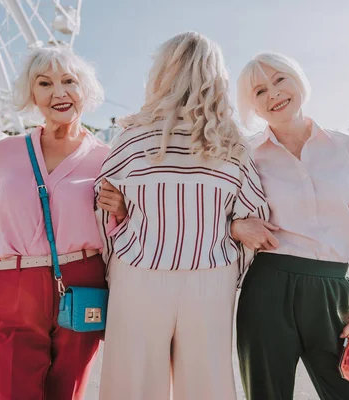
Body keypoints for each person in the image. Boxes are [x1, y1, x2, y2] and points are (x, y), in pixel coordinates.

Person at [94, 32, 272, 400]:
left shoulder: (132, 138)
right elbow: (256, 218)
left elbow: (103, 208)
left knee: (134, 385)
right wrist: (228, 242)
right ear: (216, 78)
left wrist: (117, 261)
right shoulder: (232, 145)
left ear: (161, 75)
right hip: (210, 279)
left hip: (138, 273)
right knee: (207, 386)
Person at [0, 47, 126, 400]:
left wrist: (122, 213)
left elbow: (118, 241)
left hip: (84, 285)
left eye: (69, 81)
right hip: (15, 287)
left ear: (86, 90)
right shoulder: (7, 151)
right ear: (32, 94)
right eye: (45, 83)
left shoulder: (107, 158)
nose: (58, 92)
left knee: (68, 394)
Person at [232, 52, 349, 400]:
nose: (273, 94)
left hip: (333, 293)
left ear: (297, 81)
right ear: (252, 107)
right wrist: (236, 228)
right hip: (268, 290)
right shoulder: (246, 155)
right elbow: (214, 213)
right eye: (259, 91)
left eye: (279, 80)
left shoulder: (346, 147)